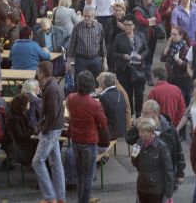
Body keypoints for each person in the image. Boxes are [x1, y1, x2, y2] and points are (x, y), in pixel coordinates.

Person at [66, 71, 108, 203]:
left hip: (75, 140)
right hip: (89, 141)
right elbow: (103, 123)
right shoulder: (94, 104)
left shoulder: (71, 98)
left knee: (80, 175)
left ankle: (81, 199)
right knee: (88, 177)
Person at [32, 60, 66, 203]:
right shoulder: (53, 85)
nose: (36, 75)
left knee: (37, 162)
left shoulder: (50, 89)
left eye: (37, 73)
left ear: (41, 74)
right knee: (55, 163)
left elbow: (51, 114)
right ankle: (60, 197)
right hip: (56, 128)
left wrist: (43, 128)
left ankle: (49, 196)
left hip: (51, 130)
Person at [130, 117, 175, 203]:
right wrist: (134, 155)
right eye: (140, 131)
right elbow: (136, 164)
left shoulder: (162, 147)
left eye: (144, 132)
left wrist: (168, 194)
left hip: (156, 188)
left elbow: (168, 170)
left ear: (151, 132)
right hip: (141, 186)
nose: (141, 134)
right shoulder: (139, 142)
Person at [111, 18, 148, 115]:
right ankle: (130, 115)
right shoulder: (119, 37)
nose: (127, 27)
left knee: (139, 94)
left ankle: (139, 114)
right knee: (127, 94)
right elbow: (113, 53)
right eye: (125, 25)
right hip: (124, 70)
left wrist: (141, 56)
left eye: (129, 25)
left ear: (134, 26)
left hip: (138, 69)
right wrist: (122, 56)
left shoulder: (140, 35)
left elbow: (146, 50)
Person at [68, 7, 107, 78]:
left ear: (93, 16)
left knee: (97, 80)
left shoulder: (99, 27)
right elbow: (72, 45)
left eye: (89, 16)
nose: (86, 18)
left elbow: (102, 44)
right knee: (80, 80)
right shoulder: (77, 27)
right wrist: (68, 61)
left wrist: (105, 61)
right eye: (85, 16)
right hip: (81, 60)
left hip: (95, 59)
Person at [134, 0, 162, 84]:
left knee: (150, 55)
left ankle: (148, 73)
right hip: (142, 37)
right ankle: (144, 74)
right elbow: (141, 21)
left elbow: (159, 19)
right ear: (144, 0)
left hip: (153, 36)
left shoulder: (153, 7)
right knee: (143, 54)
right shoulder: (138, 9)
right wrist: (151, 20)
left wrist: (149, 21)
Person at [161, 26, 192, 105]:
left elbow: (187, 66)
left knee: (181, 101)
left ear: (181, 36)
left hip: (181, 79)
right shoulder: (171, 46)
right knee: (171, 100)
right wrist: (168, 46)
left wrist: (178, 59)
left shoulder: (186, 48)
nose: (172, 36)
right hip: (171, 77)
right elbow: (162, 58)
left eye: (175, 34)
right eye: (171, 34)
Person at [96, 71, 127, 140]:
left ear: (103, 83)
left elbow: (100, 117)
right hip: (121, 130)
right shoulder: (120, 93)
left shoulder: (104, 97)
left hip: (111, 133)